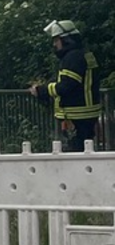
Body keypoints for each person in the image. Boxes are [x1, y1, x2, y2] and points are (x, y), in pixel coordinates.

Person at [30, 20, 102, 152]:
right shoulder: (83, 54)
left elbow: (67, 86)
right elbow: (66, 79)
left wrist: (42, 91)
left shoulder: (73, 57)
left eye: (56, 40)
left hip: (77, 115)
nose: (54, 44)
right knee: (85, 152)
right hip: (86, 114)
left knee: (74, 153)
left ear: (66, 40)